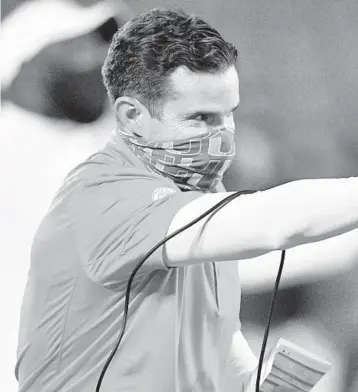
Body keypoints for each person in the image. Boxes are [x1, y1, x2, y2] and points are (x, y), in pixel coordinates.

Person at [15, 8, 358, 392]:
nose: (224, 135)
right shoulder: (102, 192)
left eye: (228, 115)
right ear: (133, 115)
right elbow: (265, 223)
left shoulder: (191, 190)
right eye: (200, 118)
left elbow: (217, 338)